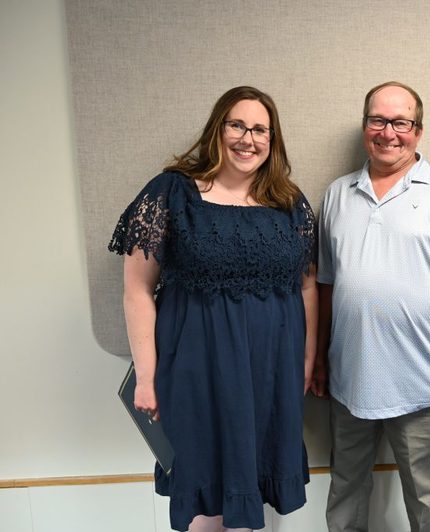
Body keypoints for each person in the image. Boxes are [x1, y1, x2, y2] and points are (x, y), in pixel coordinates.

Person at [108, 86, 317, 532]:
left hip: (270, 370)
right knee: (203, 485)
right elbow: (137, 290)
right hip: (196, 368)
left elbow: (306, 285)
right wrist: (146, 376)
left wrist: (306, 359)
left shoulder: (289, 202)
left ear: (273, 139)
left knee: (252, 483)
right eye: (237, 125)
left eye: (260, 129)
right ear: (217, 129)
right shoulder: (172, 193)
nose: (248, 139)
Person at [313, 81, 430, 532]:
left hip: (423, 383)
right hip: (349, 379)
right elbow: (326, 287)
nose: (388, 132)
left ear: (418, 130)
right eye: (378, 120)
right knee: (345, 490)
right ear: (364, 126)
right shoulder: (337, 195)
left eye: (401, 122)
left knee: (427, 499)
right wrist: (318, 358)